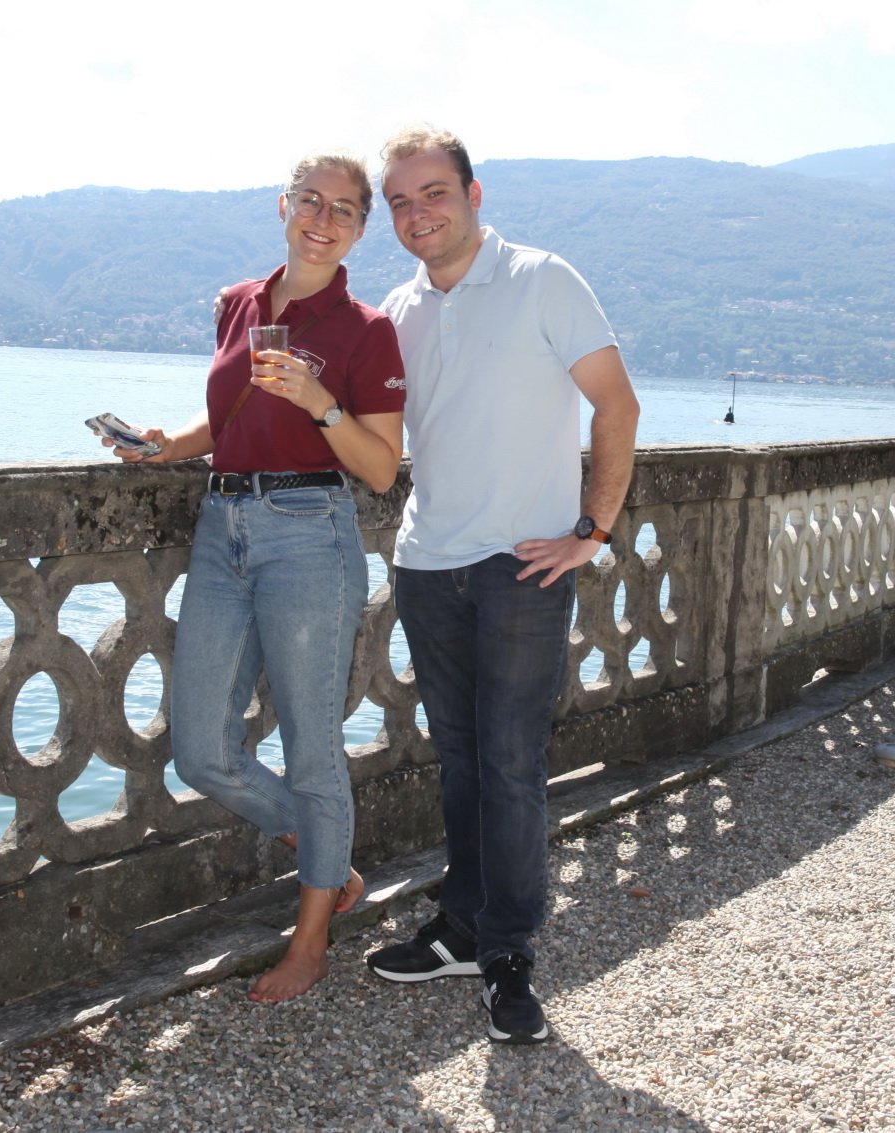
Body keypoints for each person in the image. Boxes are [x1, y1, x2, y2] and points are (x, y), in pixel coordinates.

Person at [102, 152, 405, 1003]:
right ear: (283, 205)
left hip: (310, 531)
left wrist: (319, 401)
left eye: (344, 209)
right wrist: (169, 444)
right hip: (221, 523)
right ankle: (328, 859)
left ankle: (310, 944)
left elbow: (381, 468)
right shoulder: (237, 302)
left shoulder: (369, 331)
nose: (323, 218)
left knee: (313, 748)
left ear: (361, 229)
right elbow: (231, 416)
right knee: (201, 750)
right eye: (311, 200)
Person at [364, 126, 640, 1045]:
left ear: (474, 194)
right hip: (425, 563)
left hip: (522, 566)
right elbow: (364, 429)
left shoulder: (542, 279)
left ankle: (509, 952)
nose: (418, 214)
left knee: (512, 763)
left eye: (434, 192)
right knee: (459, 758)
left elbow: (617, 404)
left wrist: (591, 531)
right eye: (400, 201)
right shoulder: (397, 311)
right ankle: (460, 927)